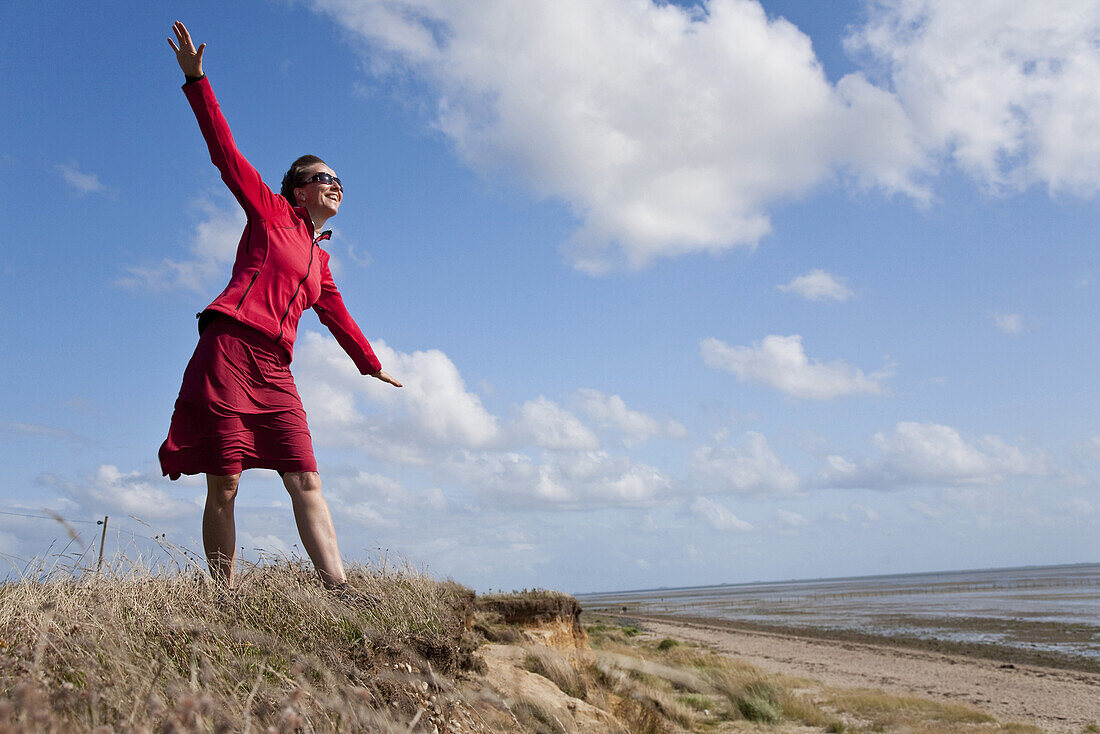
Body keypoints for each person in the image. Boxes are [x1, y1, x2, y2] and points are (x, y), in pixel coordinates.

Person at [160, 21, 402, 588]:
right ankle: (223, 596)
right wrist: (197, 80)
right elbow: (225, 152)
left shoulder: (320, 262)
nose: (335, 184)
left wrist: (371, 364)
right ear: (298, 190)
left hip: (275, 369)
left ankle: (340, 589)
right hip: (228, 351)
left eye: (340, 179)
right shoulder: (270, 214)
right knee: (225, 482)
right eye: (324, 177)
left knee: (305, 477)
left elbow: (338, 316)